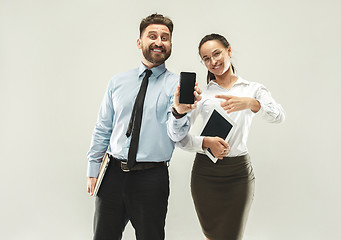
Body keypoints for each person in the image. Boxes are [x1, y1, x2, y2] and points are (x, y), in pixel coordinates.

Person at [86, 13, 200, 240]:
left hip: (151, 178)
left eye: (165, 37)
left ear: (170, 45)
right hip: (112, 175)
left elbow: (176, 135)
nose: (159, 42)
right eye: (153, 36)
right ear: (140, 42)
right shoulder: (117, 82)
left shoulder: (176, 86)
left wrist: (178, 112)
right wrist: (93, 169)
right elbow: (103, 127)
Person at [172, 33, 285, 240]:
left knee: (232, 236)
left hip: (238, 174)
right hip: (205, 174)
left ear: (229, 51)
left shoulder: (253, 89)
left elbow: (279, 116)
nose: (213, 61)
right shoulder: (202, 95)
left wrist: (251, 104)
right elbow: (178, 137)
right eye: (206, 58)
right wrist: (205, 142)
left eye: (217, 54)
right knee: (212, 236)